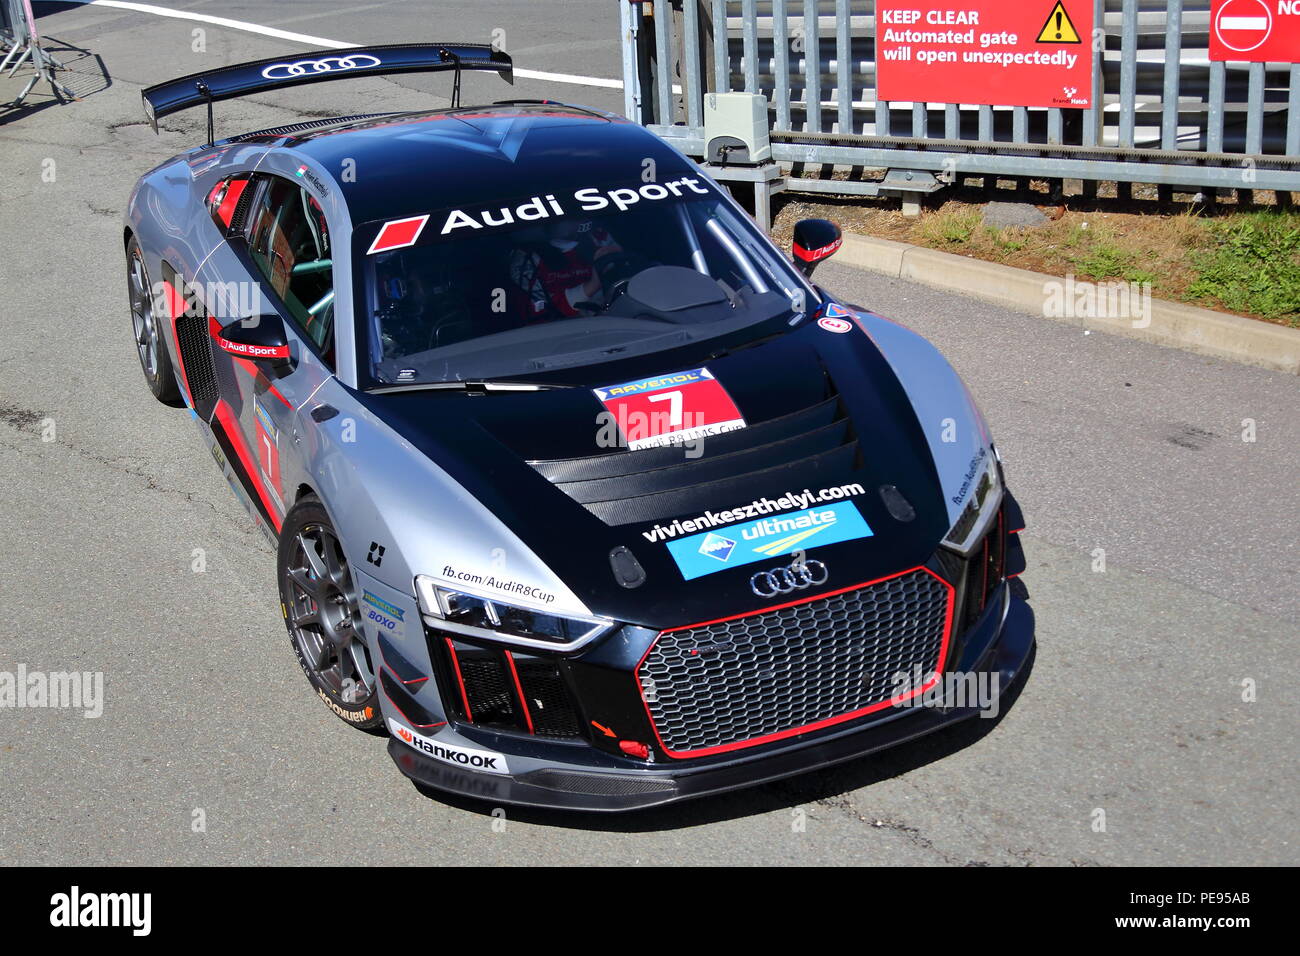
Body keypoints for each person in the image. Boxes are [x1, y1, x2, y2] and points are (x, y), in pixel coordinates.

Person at [509, 219, 622, 320]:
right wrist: (594, 283)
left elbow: (628, 279)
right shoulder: (525, 258)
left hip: (616, 320)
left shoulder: (599, 237)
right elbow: (542, 310)